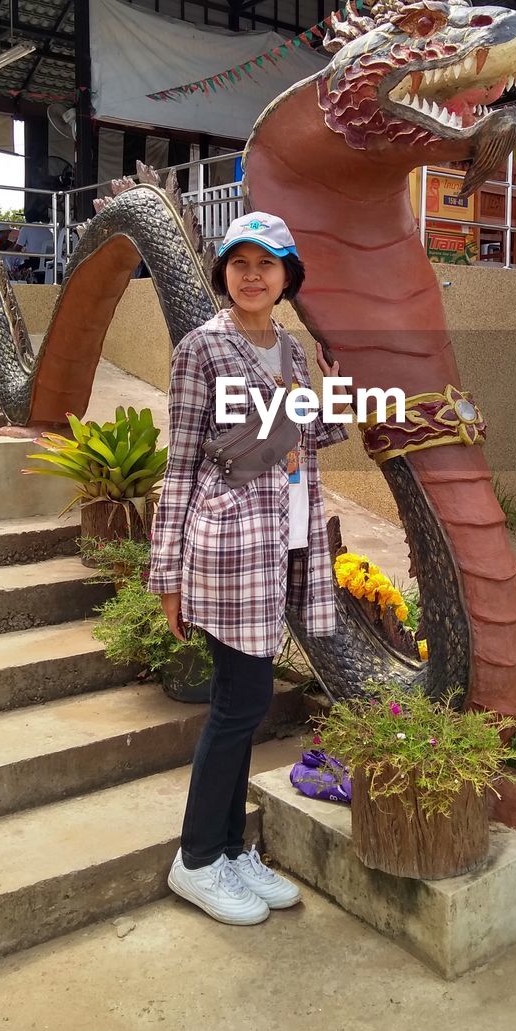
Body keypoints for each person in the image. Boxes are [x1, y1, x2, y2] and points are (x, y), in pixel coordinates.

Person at [148, 210, 347, 926]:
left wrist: (335, 384)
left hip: (282, 544)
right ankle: (197, 859)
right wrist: (164, 575)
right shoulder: (202, 349)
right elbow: (179, 465)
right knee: (239, 705)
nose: (253, 275)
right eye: (240, 263)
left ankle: (230, 850)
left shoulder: (290, 352)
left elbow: (315, 434)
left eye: (267, 264)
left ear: (287, 276)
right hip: (228, 550)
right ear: (224, 274)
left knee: (246, 705)